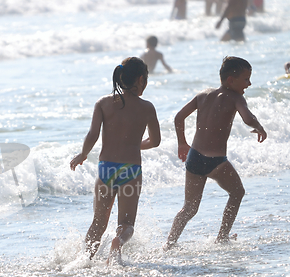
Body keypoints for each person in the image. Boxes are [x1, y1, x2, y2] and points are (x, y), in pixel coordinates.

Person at [164, 56, 267, 251]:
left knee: (189, 208)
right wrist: (260, 127)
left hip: (194, 158)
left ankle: (169, 243)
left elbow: (178, 117)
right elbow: (247, 117)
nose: (249, 83)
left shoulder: (203, 94)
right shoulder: (236, 98)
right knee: (237, 192)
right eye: (246, 79)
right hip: (216, 162)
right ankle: (222, 236)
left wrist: (182, 143)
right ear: (231, 80)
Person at [70, 57, 161, 262]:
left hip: (106, 170)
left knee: (98, 223)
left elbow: (92, 135)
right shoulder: (147, 108)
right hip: (130, 171)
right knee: (127, 224)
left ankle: (86, 260)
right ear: (140, 79)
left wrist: (83, 155)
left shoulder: (103, 103)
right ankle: (118, 242)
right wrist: (134, 145)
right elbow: (155, 141)